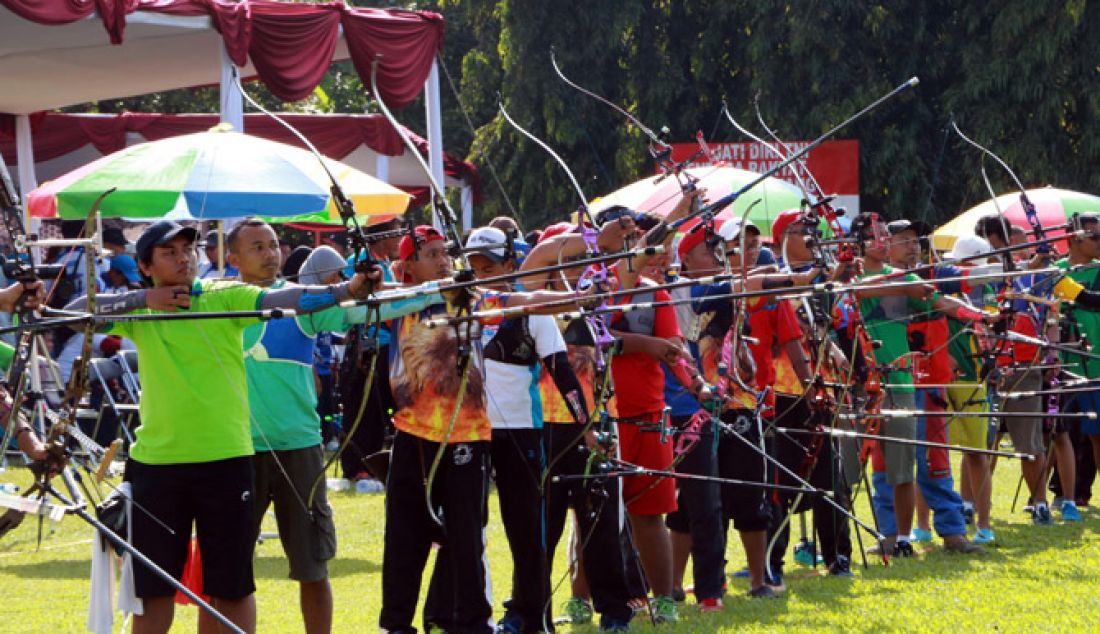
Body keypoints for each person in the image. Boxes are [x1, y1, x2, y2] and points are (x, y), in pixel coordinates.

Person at [66, 219, 381, 634]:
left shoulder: (225, 294)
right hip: (157, 466)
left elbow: (286, 298)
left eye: (188, 250)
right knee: (155, 588)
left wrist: (347, 290)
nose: (183, 259)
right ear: (144, 266)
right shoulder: (140, 308)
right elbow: (71, 315)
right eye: (169, 253)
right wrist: (146, 298)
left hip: (226, 463)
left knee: (231, 587)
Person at [223, 218, 440, 634]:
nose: (270, 254)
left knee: (312, 565)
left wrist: (433, 290)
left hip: (299, 447)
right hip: (234, 449)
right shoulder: (218, 305)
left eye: (273, 245)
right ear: (232, 258)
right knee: (228, 569)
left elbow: (368, 308)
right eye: (257, 247)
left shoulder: (303, 305)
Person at [380, 225, 591, 634]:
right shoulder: (398, 301)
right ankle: (396, 625)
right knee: (404, 537)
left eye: (446, 253)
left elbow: (521, 301)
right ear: (407, 267)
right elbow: (360, 306)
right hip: (413, 436)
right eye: (433, 255)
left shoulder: (471, 299)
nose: (444, 261)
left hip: (468, 438)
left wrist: (572, 298)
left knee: (465, 537)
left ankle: (473, 624)